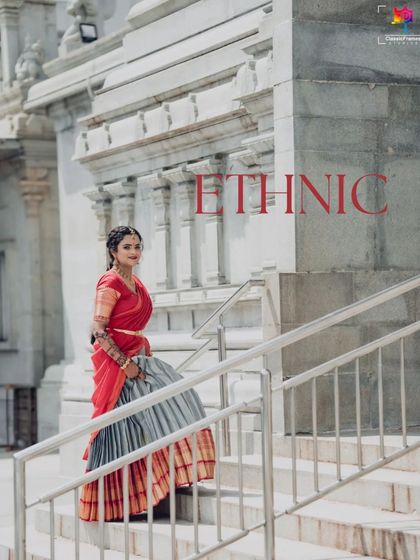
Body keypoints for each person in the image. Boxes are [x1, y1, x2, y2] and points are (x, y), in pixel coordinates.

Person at [79, 225, 216, 522]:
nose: (134, 251)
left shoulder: (135, 283)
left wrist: (137, 358)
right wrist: (124, 364)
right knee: (120, 428)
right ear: (113, 250)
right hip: (119, 366)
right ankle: (113, 503)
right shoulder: (110, 283)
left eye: (137, 246)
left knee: (174, 405)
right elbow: (99, 331)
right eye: (127, 246)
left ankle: (157, 483)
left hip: (140, 357)